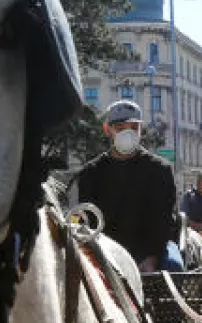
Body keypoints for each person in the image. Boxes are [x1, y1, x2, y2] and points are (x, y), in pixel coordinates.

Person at [76, 100, 183, 272]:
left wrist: (153, 257)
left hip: (148, 252)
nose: (128, 132)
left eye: (134, 127)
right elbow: (86, 222)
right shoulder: (91, 172)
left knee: (174, 266)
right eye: (120, 127)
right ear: (107, 130)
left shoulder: (160, 170)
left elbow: (164, 221)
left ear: (141, 130)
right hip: (105, 253)